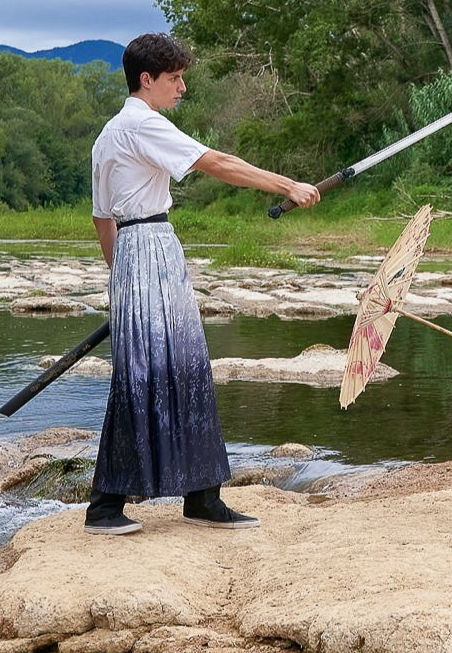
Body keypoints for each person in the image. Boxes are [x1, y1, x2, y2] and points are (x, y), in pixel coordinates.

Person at [84, 33, 320, 536]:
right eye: (174, 78)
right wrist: (288, 185)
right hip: (149, 248)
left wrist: (118, 284)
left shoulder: (107, 134)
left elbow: (103, 219)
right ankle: (105, 507)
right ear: (146, 80)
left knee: (180, 367)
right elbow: (218, 163)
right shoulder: (143, 124)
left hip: (135, 252)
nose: (183, 87)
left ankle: (201, 496)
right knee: (146, 376)